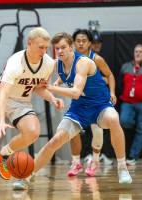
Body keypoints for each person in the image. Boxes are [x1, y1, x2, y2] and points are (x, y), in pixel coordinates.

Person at [0, 27, 64, 191]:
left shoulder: (49, 63)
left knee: (33, 132)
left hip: (21, 103)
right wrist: (0, 121)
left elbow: (37, 87)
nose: (44, 51)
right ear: (29, 43)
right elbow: (3, 94)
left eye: (46, 47)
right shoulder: (16, 62)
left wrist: (52, 98)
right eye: (40, 47)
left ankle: (4, 152)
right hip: (0, 100)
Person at [33, 32, 132, 187]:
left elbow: (76, 92)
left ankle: (122, 167)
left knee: (113, 119)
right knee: (54, 141)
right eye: (57, 48)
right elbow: (39, 89)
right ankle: (26, 175)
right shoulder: (54, 64)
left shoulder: (83, 62)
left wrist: (51, 87)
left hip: (100, 105)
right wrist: (52, 98)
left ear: (71, 47)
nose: (60, 51)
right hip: (79, 108)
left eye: (63, 47)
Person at [66, 29, 115, 177]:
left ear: (89, 43)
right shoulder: (69, 58)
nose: (80, 43)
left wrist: (112, 92)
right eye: (78, 41)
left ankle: (94, 161)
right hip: (79, 101)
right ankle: (76, 163)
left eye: (84, 41)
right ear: (73, 43)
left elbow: (110, 75)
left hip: (96, 101)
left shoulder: (97, 59)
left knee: (98, 131)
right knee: (71, 132)